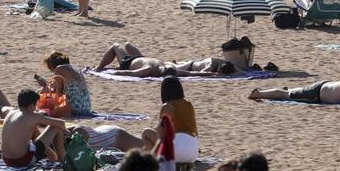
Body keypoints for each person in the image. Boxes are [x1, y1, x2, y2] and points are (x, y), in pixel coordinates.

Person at [0, 89, 67, 167]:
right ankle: (62, 162)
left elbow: (36, 137)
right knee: (56, 127)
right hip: (23, 161)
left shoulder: (10, 113)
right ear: (32, 105)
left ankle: (53, 157)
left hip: (7, 160)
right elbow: (61, 123)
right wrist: (66, 132)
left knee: (33, 129)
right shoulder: (31, 115)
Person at [141, 77, 199, 164]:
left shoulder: (167, 106)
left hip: (176, 152)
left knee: (146, 133)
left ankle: (154, 162)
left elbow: (161, 132)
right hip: (193, 154)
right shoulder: (188, 104)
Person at [94, 43, 238, 77]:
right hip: (141, 58)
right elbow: (191, 75)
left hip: (128, 62)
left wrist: (113, 71)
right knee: (127, 44)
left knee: (116, 46)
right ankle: (102, 67)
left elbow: (132, 74)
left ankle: (98, 67)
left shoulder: (151, 70)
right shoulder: (167, 68)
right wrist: (208, 75)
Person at [248, 69, 340, 105]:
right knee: (286, 96)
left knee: (291, 92)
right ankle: (258, 93)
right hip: (316, 95)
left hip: (323, 87)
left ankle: (287, 90)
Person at [40, 50, 92, 116]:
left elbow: (56, 92)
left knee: (41, 99)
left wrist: (44, 86)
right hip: (85, 107)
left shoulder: (60, 69)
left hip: (74, 109)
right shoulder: (74, 69)